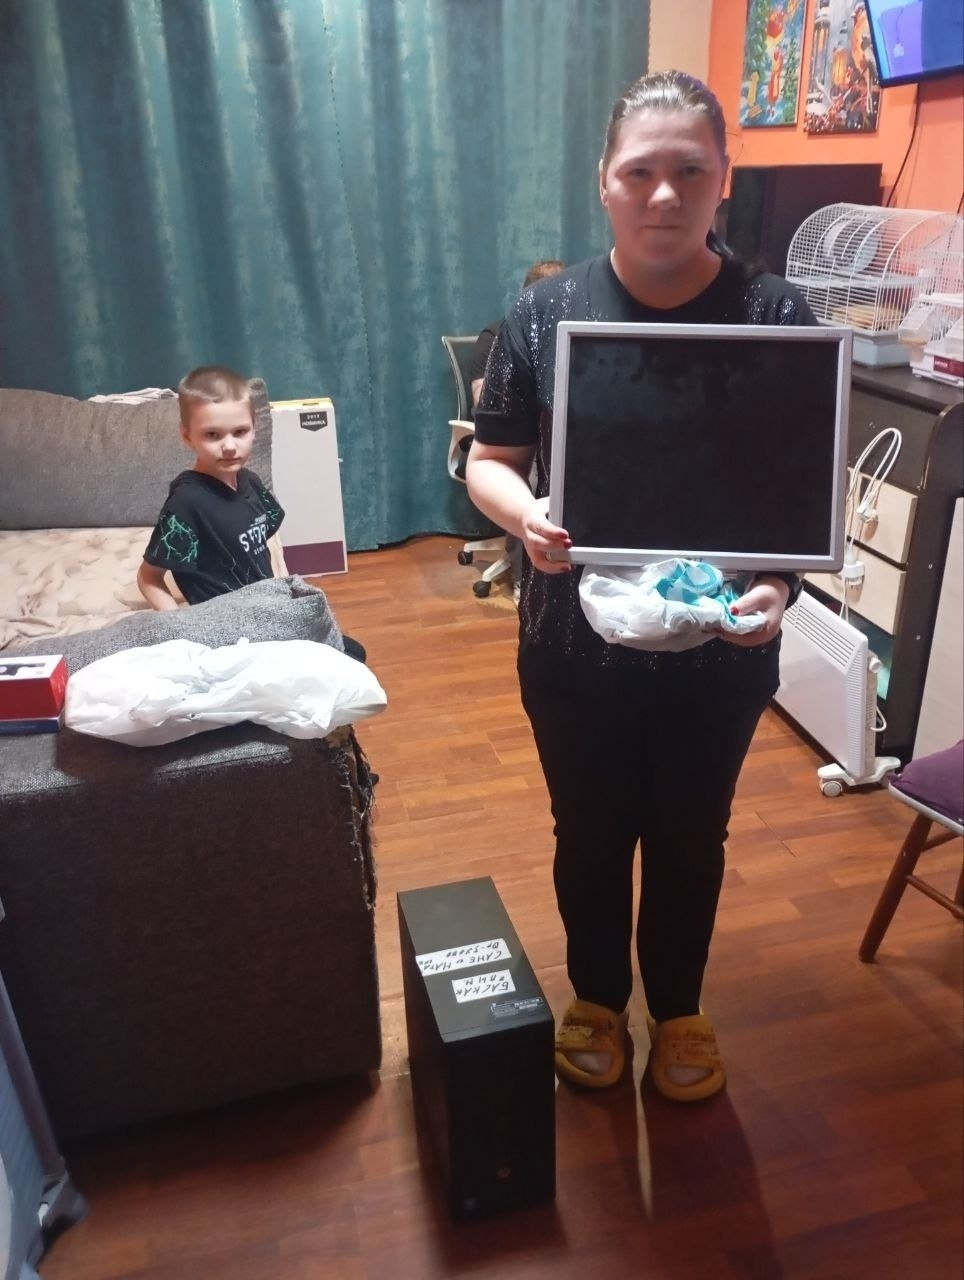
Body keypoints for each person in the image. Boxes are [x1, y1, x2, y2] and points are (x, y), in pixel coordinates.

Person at [466, 70, 814, 1103]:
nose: (664, 194)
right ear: (604, 182)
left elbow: (798, 492)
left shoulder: (775, 314)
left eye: (689, 172)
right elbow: (491, 457)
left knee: (690, 838)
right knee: (589, 832)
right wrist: (525, 515)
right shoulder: (545, 313)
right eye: (640, 172)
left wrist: (779, 590)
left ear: (724, 180)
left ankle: (679, 1009)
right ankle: (596, 998)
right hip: (574, 652)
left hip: (719, 653)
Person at [137, 365, 366, 660]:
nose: (229, 446)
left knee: (352, 654)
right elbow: (149, 578)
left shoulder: (250, 482)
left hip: (268, 612)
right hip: (230, 632)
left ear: (254, 428)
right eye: (212, 435)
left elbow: (261, 549)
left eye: (240, 432)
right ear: (187, 435)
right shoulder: (186, 502)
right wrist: (183, 629)